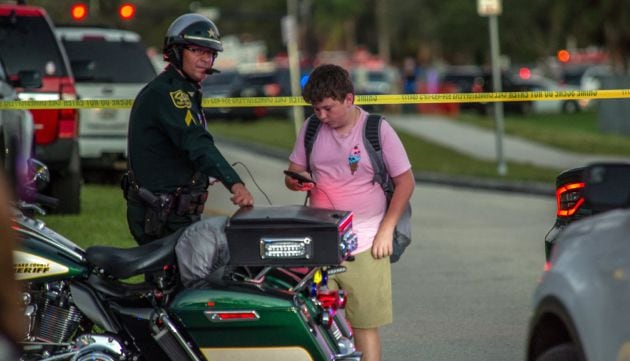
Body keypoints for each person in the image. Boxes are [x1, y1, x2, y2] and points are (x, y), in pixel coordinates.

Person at [285, 64, 414, 361]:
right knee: (315, 321)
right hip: (319, 246)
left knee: (364, 325)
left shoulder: (376, 129)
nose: (321, 116)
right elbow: (294, 171)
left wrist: (386, 229)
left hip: (367, 244)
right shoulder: (312, 128)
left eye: (327, 108)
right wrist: (295, 181)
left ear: (349, 99)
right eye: (315, 109)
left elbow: (405, 182)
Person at [124, 13, 254, 245]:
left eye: (210, 53)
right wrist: (234, 182)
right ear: (176, 51)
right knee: (189, 277)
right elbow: (196, 142)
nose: (206, 59)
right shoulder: (169, 94)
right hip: (162, 215)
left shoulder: (183, 89)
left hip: (172, 212)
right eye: (197, 51)